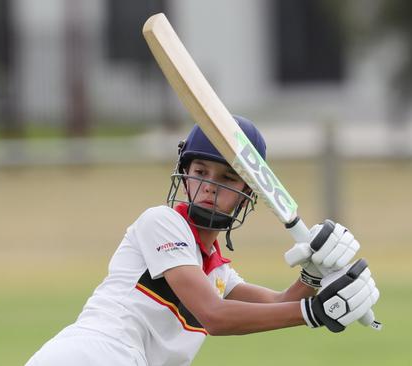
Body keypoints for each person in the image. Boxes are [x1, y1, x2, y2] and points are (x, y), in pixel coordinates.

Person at [26, 116, 380, 366]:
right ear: (185, 176)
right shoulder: (162, 222)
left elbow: (277, 303)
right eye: (200, 172)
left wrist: (312, 278)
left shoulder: (215, 271)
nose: (210, 185)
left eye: (227, 177)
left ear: (246, 195)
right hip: (93, 354)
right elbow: (215, 316)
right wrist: (314, 312)